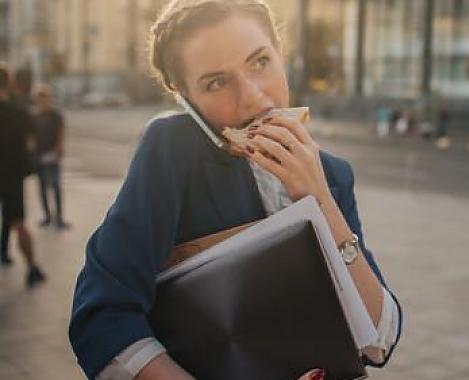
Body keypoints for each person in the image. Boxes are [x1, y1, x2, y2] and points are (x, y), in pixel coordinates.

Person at [68, 2, 402, 380]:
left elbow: (380, 339)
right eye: (216, 82)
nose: (254, 98)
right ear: (185, 98)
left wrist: (320, 200)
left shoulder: (333, 173)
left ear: (280, 52)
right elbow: (101, 317)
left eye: (260, 62)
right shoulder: (173, 152)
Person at [0, 63, 46, 286]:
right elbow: (31, 145)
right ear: (9, 83)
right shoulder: (20, 114)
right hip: (11, 176)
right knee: (20, 224)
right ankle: (32, 268)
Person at [32, 84, 70, 229]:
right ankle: (47, 216)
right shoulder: (34, 116)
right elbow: (31, 137)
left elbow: (61, 133)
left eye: (45, 98)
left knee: (55, 185)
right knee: (42, 187)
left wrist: (58, 150)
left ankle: (59, 217)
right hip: (39, 155)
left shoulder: (56, 116)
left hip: (53, 155)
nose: (42, 101)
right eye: (40, 99)